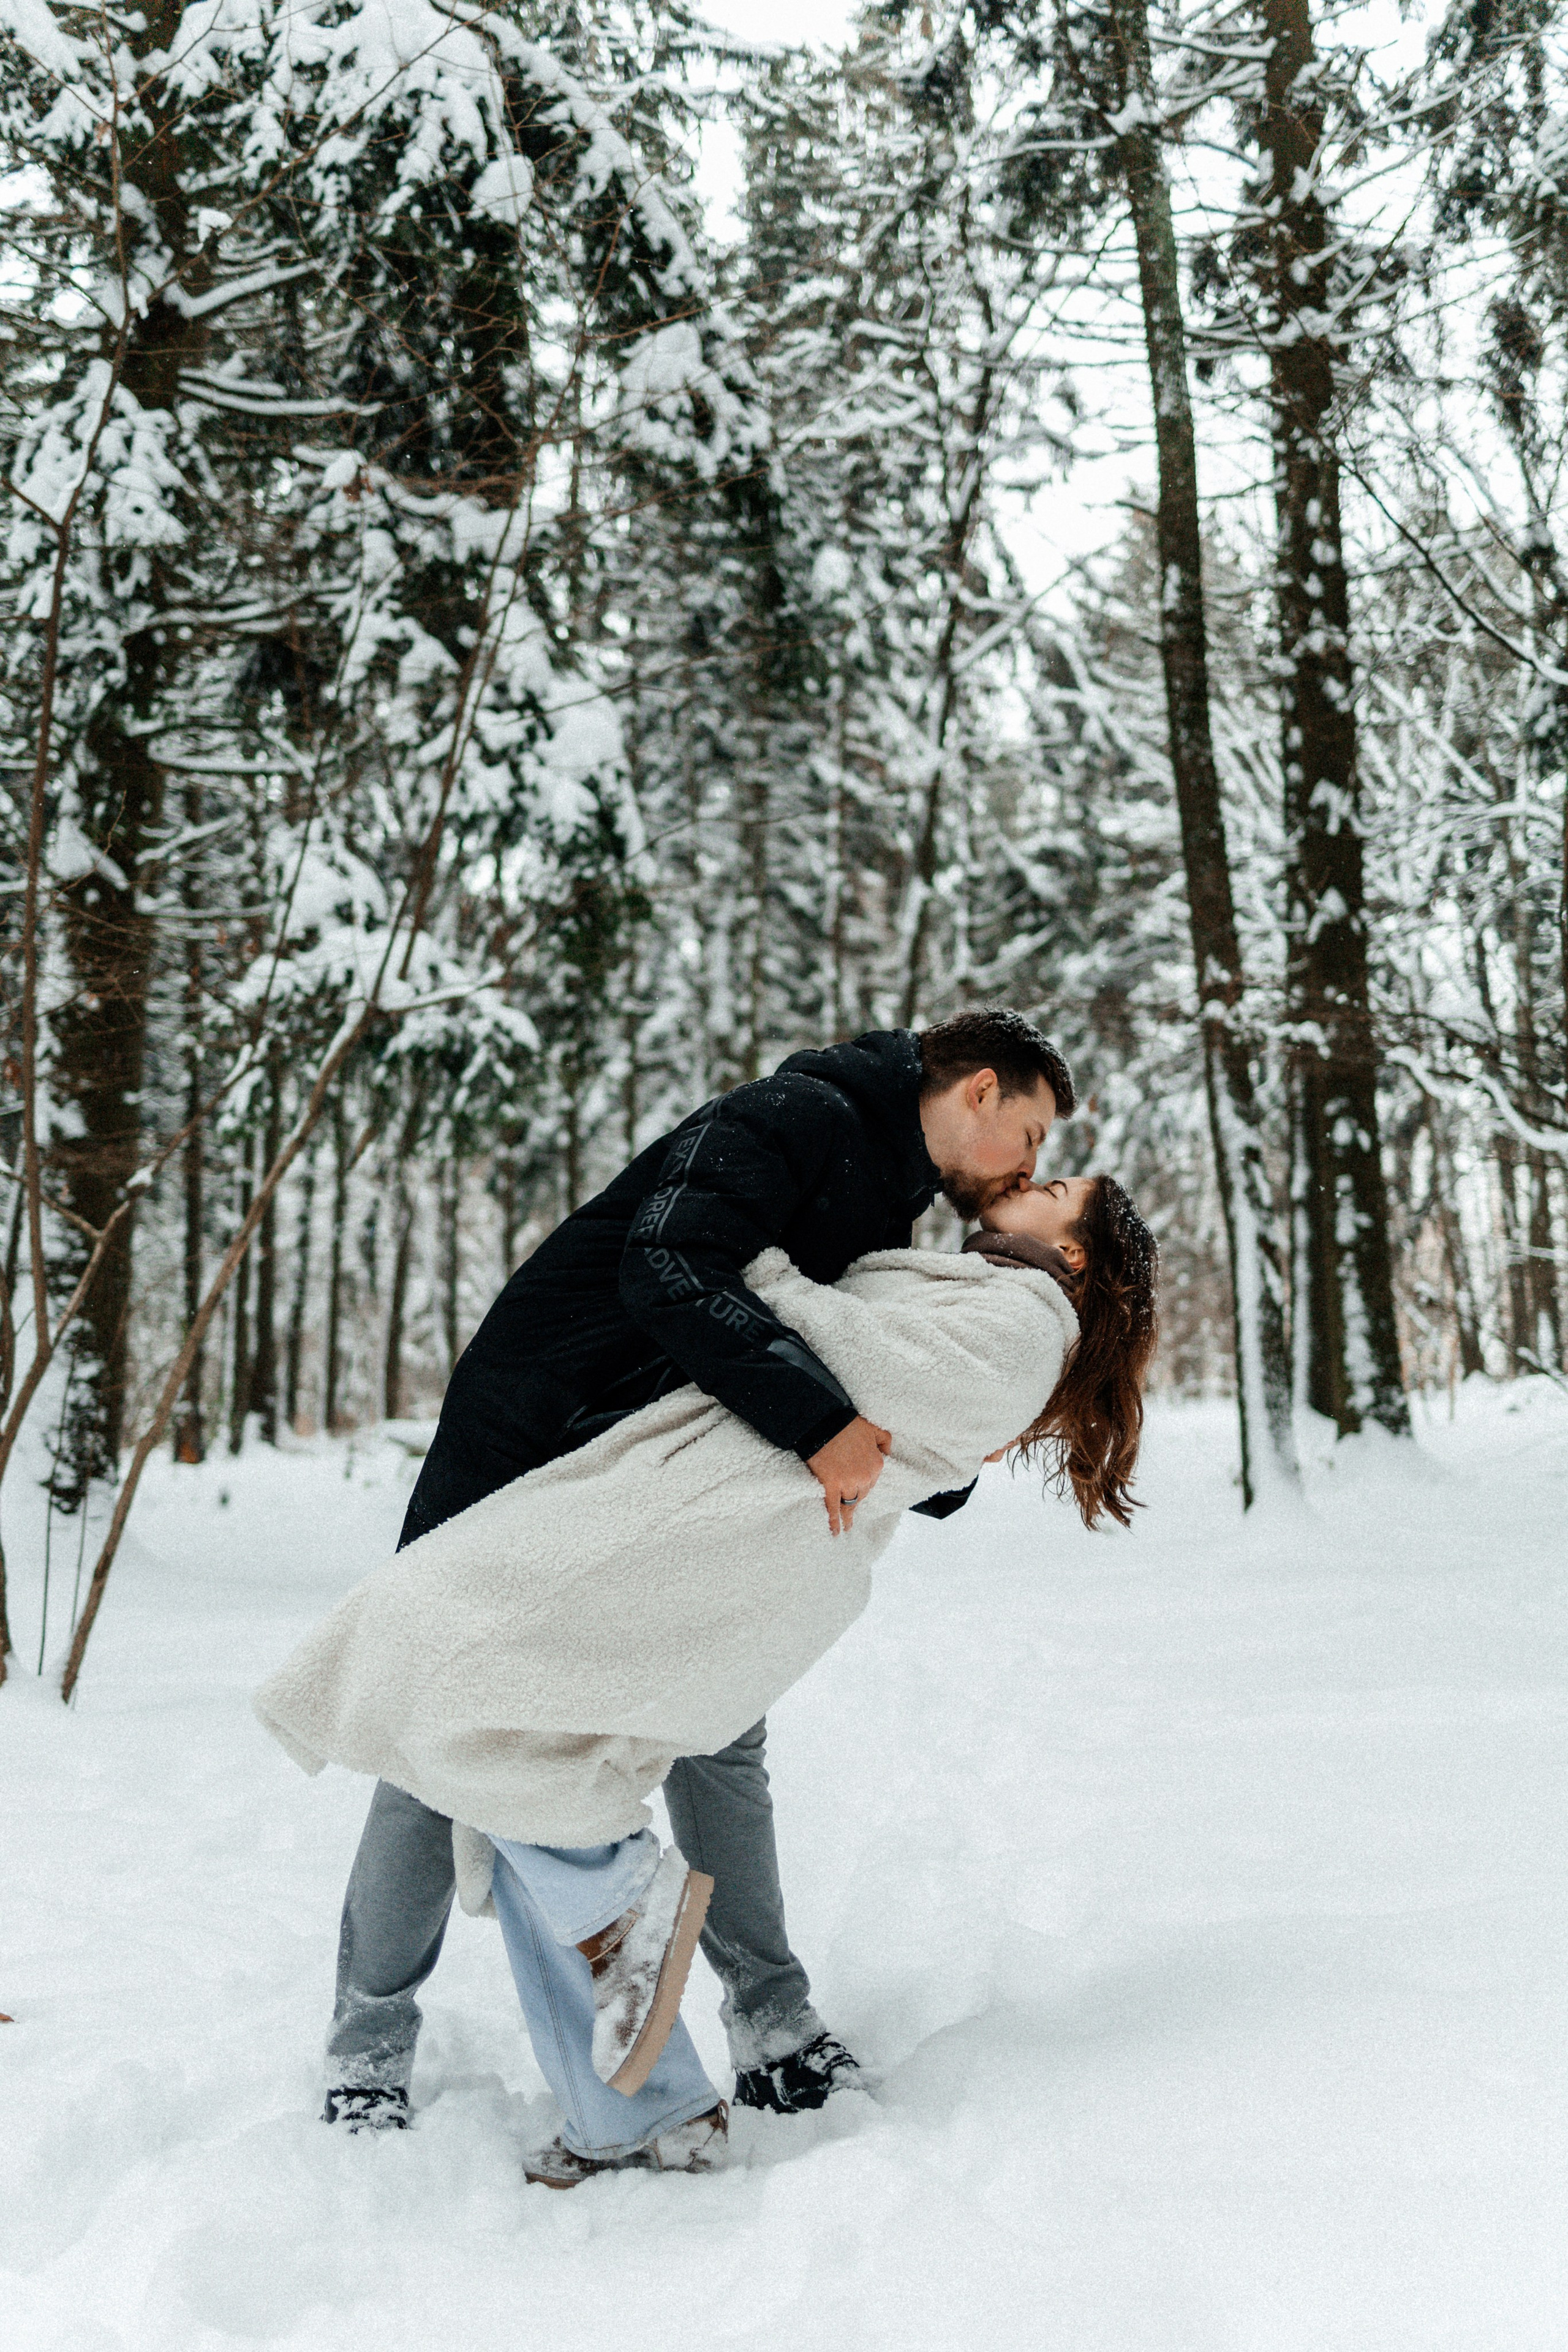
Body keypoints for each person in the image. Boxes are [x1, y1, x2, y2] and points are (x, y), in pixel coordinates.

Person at [258, 1166, 1158, 2187]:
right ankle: (652, 2075)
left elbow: (863, 1366)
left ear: (1073, 1253)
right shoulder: (977, 1293)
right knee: (500, 1722)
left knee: (457, 1687)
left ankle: (607, 1934)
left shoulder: (1025, 1326)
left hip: (717, 1537)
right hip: (714, 1523)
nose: (1032, 1170)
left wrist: (752, 1273)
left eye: (1057, 1179)